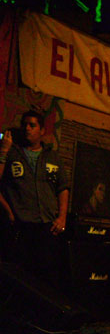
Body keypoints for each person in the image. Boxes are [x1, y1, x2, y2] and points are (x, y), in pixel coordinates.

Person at [0, 110, 70, 290]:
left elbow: (63, 188)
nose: (27, 128)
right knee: (19, 280)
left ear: (42, 130)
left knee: (46, 280)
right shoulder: (12, 153)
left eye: (32, 125)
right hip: (21, 226)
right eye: (24, 124)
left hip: (47, 227)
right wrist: (9, 212)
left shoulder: (52, 156)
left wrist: (62, 217)